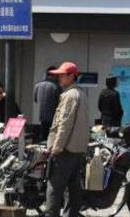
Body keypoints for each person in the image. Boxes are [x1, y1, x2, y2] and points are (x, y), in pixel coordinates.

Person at [46, 62, 89, 217]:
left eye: (62, 75)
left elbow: (65, 124)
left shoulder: (69, 95)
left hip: (65, 150)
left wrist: (56, 147)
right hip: (77, 149)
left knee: (54, 189)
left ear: (71, 76)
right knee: (74, 188)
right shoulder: (81, 93)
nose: (59, 78)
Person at [34, 66, 61, 141]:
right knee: (53, 139)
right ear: (55, 75)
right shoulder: (56, 86)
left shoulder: (37, 85)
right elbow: (61, 102)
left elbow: (36, 100)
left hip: (42, 117)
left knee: (43, 138)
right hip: (54, 117)